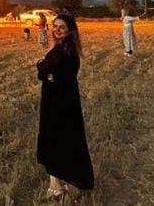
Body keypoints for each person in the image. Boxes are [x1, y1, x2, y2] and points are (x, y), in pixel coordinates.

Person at [35, 14, 95, 197]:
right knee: (65, 140)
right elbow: (49, 72)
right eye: (55, 26)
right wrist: (46, 70)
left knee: (53, 141)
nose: (57, 29)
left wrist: (42, 67)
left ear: (70, 30)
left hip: (57, 103)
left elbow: (45, 72)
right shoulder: (68, 48)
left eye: (61, 27)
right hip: (65, 100)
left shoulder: (63, 51)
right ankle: (60, 181)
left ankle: (55, 186)